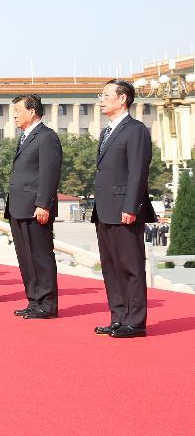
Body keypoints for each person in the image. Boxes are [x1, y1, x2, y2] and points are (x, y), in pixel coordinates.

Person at [92, 79, 156, 338]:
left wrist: (131, 206)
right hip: (105, 208)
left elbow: (138, 173)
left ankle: (136, 321)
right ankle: (118, 317)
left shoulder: (135, 130)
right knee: (111, 267)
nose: (101, 99)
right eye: (101, 95)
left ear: (123, 99)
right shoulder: (106, 131)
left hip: (125, 209)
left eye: (106, 95)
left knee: (130, 266)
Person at [6, 94, 62, 319]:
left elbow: (49, 174)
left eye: (18, 111)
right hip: (19, 206)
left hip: (35, 208)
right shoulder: (25, 137)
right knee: (26, 257)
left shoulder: (46, 137)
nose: (14, 115)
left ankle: (47, 303)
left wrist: (43, 204)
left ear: (32, 112)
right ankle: (33, 300)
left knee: (40, 256)